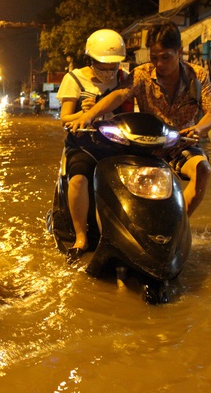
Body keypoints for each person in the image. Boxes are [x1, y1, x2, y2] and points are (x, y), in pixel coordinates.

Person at [71, 19, 211, 216]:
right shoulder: (142, 74)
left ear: (179, 52)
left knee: (203, 170)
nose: (159, 64)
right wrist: (89, 115)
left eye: (166, 57)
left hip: (181, 144)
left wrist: (199, 128)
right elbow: (120, 94)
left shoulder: (197, 75)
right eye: (154, 57)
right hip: (146, 146)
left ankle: (180, 223)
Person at [56, 29, 131, 262]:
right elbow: (64, 119)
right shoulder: (75, 79)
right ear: (90, 59)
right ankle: (81, 237)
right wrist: (83, 112)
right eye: (103, 65)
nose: (109, 71)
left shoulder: (125, 78)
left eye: (113, 66)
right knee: (79, 177)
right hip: (84, 144)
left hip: (117, 145)